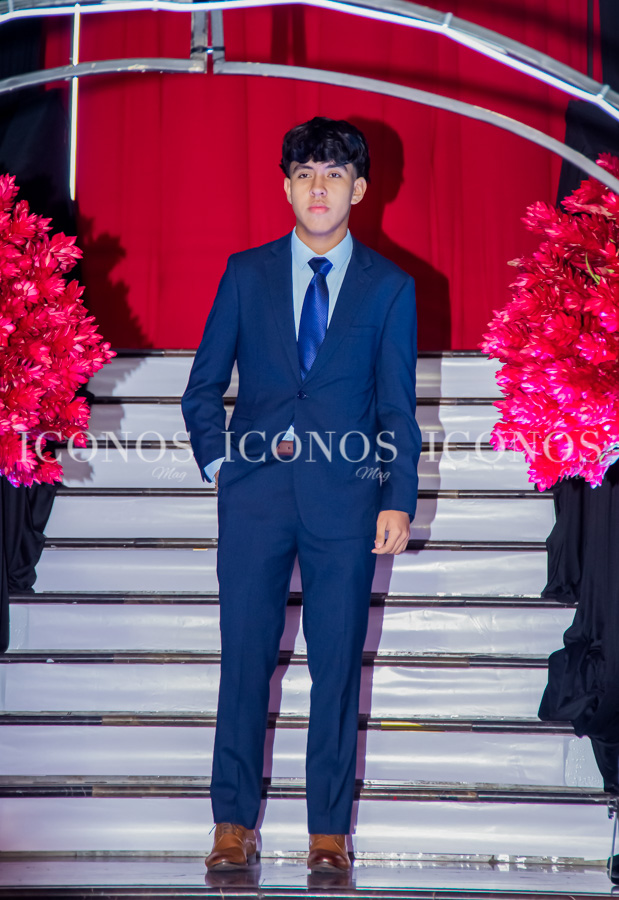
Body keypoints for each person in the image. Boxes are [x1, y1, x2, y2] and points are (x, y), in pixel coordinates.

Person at [181, 116, 421, 873]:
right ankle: (231, 824)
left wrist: (398, 496)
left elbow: (396, 409)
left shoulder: (391, 287)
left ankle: (328, 833)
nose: (319, 188)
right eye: (305, 174)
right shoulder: (245, 273)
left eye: (334, 174)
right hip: (254, 498)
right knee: (245, 662)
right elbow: (201, 388)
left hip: (345, 502)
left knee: (337, 665)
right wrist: (222, 468)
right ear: (286, 186)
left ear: (360, 189)